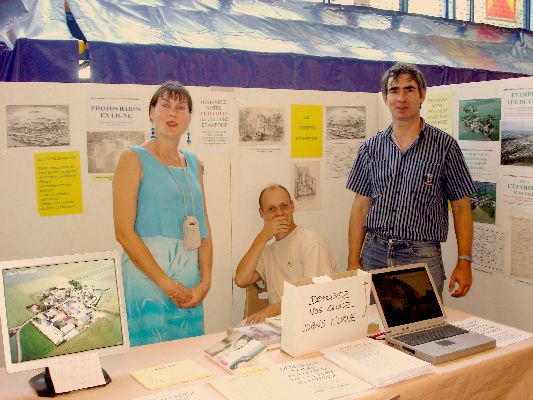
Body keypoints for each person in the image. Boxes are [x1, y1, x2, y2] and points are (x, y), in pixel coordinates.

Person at [346, 62, 475, 298]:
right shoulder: (370, 148)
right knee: (372, 329)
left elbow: (461, 208)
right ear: (385, 98)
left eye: (409, 89)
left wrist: (464, 261)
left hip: (420, 256)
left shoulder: (445, 146)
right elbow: (360, 206)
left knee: (422, 329)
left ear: (422, 94)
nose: (401, 98)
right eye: (394, 91)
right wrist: (353, 260)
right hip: (374, 252)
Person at [113, 81, 212, 346]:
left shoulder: (195, 164)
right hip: (147, 278)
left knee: (187, 357)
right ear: (151, 112)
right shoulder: (132, 158)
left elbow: (204, 228)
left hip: (189, 280)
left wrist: (205, 282)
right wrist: (166, 284)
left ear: (190, 117)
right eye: (165, 105)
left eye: (181, 107)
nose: (173, 113)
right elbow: (123, 232)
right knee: (147, 360)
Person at [235, 184, 336, 323]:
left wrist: (269, 311)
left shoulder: (309, 241)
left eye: (284, 206)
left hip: (309, 322)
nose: (279, 213)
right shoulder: (268, 251)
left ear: (292, 207)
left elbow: (316, 294)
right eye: (271, 209)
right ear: (261, 213)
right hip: (280, 325)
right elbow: (241, 280)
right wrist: (262, 237)